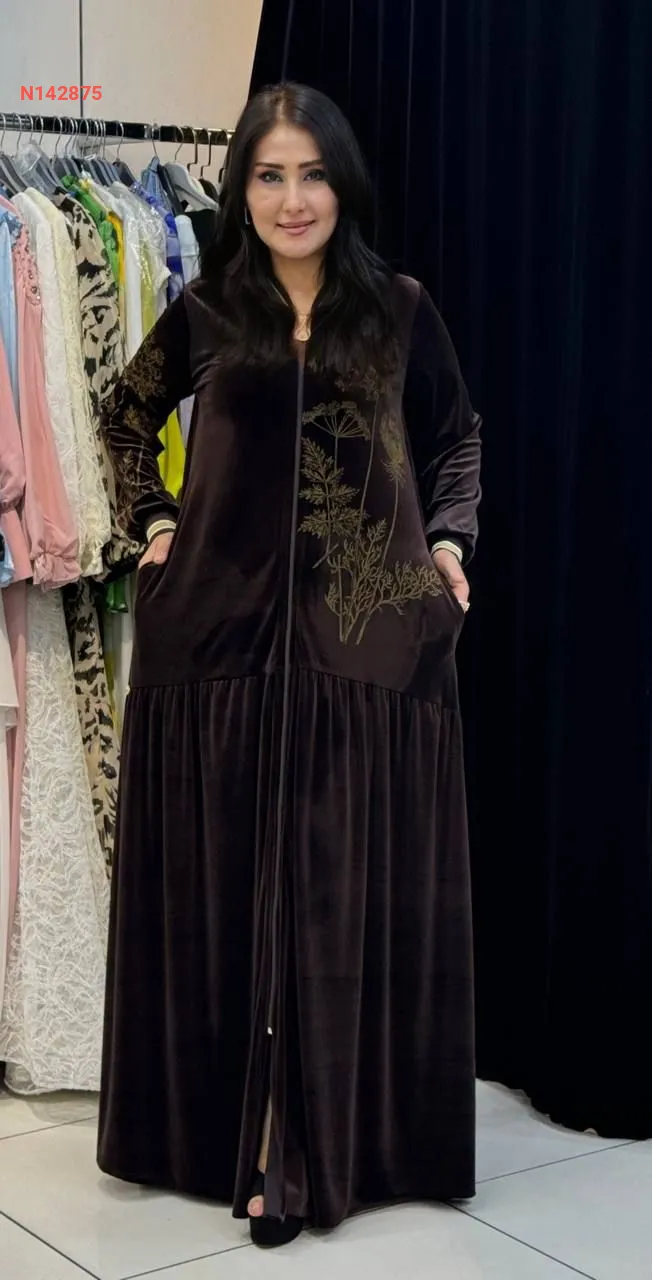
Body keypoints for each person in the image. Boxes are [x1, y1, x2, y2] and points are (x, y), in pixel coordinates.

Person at [97, 81, 481, 1249]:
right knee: (233, 888)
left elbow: (456, 436)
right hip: (216, 641)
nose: (291, 197)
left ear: (342, 183)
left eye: (311, 173)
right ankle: (247, 1140)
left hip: (371, 646)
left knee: (335, 891)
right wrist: (157, 522)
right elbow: (125, 417)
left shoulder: (398, 309)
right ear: (242, 190)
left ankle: (331, 1140)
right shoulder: (211, 308)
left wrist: (449, 544)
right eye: (268, 175)